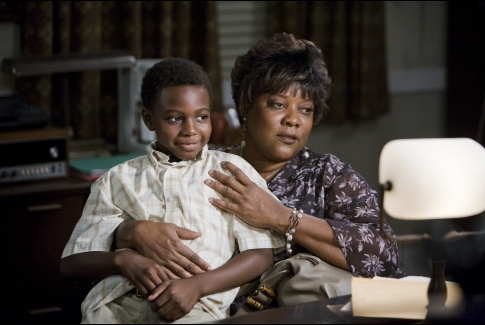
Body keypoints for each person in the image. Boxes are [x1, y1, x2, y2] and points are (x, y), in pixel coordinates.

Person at [90, 32, 405, 315]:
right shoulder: (207, 165)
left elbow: (385, 256)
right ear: (245, 107)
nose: (293, 120)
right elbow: (108, 230)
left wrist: (281, 217)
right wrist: (129, 231)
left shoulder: (328, 175)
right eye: (278, 104)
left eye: (305, 110)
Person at [60, 57, 285, 323]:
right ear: (148, 119)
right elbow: (72, 263)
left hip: (194, 306)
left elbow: (260, 254)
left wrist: (198, 285)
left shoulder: (230, 171)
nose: (191, 130)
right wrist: (123, 262)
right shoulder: (118, 179)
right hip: (116, 303)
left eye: (201, 117)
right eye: (175, 118)